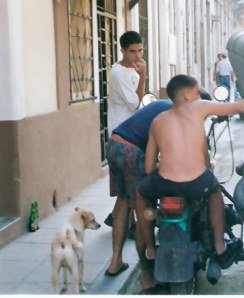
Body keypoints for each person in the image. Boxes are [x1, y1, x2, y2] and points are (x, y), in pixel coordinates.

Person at [138, 74, 244, 270]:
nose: (199, 95)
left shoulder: (157, 120)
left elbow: (148, 167)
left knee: (140, 194)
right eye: (197, 91)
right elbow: (242, 105)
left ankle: (150, 248)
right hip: (196, 182)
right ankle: (220, 246)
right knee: (215, 193)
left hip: (165, 182)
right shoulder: (199, 107)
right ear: (188, 96)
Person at [105, 100, 172, 292]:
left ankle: (115, 261)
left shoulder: (162, 105)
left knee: (125, 200)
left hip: (114, 145)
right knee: (145, 208)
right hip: (132, 152)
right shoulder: (176, 114)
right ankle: (147, 275)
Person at [105, 30, 147, 277]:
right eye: (132, 51)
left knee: (124, 199)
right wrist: (143, 77)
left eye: (140, 50)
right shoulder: (119, 72)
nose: (137, 55)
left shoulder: (130, 70)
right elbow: (135, 104)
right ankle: (147, 267)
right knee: (139, 199)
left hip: (125, 141)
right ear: (122, 51)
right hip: (125, 142)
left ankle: (116, 261)